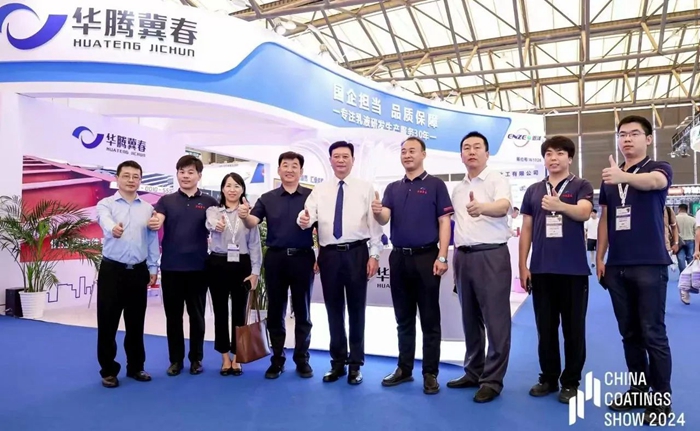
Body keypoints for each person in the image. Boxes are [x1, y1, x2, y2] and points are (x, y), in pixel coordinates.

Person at [597, 115, 674, 423]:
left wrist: (623, 177)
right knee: (629, 334)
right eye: (622, 134)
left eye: (634, 134)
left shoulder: (658, 168)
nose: (626, 139)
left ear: (648, 139)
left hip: (650, 264)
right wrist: (599, 257)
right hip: (617, 266)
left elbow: (655, 183)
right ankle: (638, 391)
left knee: (653, 333)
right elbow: (605, 219)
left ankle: (661, 399)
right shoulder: (610, 178)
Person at [297, 141, 383, 385]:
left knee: (356, 310)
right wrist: (303, 219)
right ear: (330, 160)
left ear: (353, 160)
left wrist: (374, 254)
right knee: (333, 310)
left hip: (357, 253)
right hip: (329, 255)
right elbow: (307, 216)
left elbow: (374, 225)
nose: (341, 160)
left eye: (345, 156)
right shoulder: (320, 190)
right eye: (336, 156)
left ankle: (355, 364)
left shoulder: (365, 188)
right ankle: (337, 362)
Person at [372, 137, 453, 395]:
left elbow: (444, 222)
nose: (407, 155)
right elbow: (385, 218)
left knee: (429, 318)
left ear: (423, 154)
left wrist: (442, 256)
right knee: (403, 318)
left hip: (427, 257)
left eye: (412, 151)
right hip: (398, 258)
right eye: (403, 151)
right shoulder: (393, 187)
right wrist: (377, 210)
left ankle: (430, 373)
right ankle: (404, 369)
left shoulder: (435, 184)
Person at [518, 136, 593, 403]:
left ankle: (570, 382)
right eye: (549, 153)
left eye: (560, 153)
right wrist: (523, 265)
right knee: (545, 329)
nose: (554, 158)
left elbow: (584, 212)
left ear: (569, 158)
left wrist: (559, 205)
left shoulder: (581, 185)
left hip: (573, 271)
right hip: (541, 270)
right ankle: (548, 378)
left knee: (574, 330)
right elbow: (527, 228)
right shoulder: (533, 190)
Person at [446, 131, 513, 403]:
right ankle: (473, 371)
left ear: (487, 153)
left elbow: (503, 206)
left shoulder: (496, 179)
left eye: (477, 147)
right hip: (463, 257)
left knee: (496, 320)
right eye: (466, 148)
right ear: (461, 155)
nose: (471, 151)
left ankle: (492, 380)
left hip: (491, 255)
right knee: (469, 318)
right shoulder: (458, 189)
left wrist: (482, 208)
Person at [238, 151, 317, 379]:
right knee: (275, 311)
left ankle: (302, 359)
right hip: (276, 259)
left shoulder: (312, 197)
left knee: (303, 312)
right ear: (279, 169)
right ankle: (277, 359)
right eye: (285, 165)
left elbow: (322, 227)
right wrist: (244, 215)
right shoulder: (268, 198)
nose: (290, 169)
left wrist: (320, 255)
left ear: (301, 171)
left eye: (294, 166)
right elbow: (253, 222)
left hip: (303, 258)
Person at [149, 155, 218, 376]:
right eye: (181, 172)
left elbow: (217, 225)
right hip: (171, 268)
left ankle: (196, 359)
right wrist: (156, 221)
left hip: (198, 268)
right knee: (173, 317)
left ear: (199, 175)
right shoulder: (166, 201)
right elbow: (158, 218)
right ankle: (176, 361)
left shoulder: (209, 202)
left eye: (190, 172)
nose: (185, 176)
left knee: (197, 317)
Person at [95, 160, 160, 388]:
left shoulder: (148, 208)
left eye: (136, 176)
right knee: (107, 324)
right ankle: (108, 370)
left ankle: (136, 367)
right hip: (112, 271)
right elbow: (104, 220)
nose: (131, 180)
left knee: (136, 324)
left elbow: (152, 239)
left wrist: (153, 267)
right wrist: (112, 228)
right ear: (117, 178)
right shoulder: (106, 204)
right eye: (126, 176)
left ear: (140, 180)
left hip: (138, 272)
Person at [205, 172, 262, 376]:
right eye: (228, 185)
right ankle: (224, 357)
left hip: (242, 265)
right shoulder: (214, 210)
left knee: (239, 313)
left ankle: (237, 357)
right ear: (222, 189)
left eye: (237, 186)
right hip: (218, 264)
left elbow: (255, 244)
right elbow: (210, 223)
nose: (232, 189)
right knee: (220, 313)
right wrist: (217, 225)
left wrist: (255, 272)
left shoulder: (248, 214)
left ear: (242, 190)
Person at [675, 204, 695, 275]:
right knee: (690, 258)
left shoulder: (675, 219)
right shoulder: (693, 219)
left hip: (679, 242)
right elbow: (695, 231)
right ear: (687, 209)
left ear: (679, 209)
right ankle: (691, 274)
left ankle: (683, 275)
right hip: (690, 240)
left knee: (681, 259)